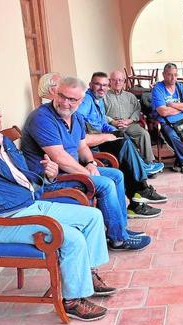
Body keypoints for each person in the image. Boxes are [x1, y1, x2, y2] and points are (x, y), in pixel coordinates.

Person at [0, 95, 116, 321]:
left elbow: (23, 176)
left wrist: (47, 175)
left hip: (30, 205)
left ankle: (86, 274)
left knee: (92, 216)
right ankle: (72, 301)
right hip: (5, 219)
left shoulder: (2, 140)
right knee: (73, 238)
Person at [21, 76, 152, 251]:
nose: (65, 103)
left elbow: (82, 146)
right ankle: (118, 239)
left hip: (69, 172)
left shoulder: (76, 117)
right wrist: (87, 173)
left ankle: (120, 228)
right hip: (50, 179)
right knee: (105, 184)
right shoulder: (42, 118)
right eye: (62, 96)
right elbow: (59, 158)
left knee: (117, 175)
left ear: (81, 100)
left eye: (72, 99)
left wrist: (90, 163)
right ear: (55, 93)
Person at [76, 71, 166, 217]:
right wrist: (105, 135)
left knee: (124, 141)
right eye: (98, 84)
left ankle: (138, 197)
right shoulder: (87, 100)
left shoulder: (98, 100)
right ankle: (141, 189)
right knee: (123, 147)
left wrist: (114, 131)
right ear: (91, 85)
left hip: (103, 137)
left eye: (104, 85)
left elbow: (103, 123)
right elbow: (78, 118)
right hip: (93, 146)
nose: (102, 88)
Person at [105, 69, 156, 164]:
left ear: (124, 82)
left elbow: (137, 110)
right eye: (114, 80)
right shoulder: (104, 97)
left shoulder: (130, 96)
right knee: (123, 139)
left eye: (120, 80)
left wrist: (130, 120)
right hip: (111, 126)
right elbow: (100, 114)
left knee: (143, 134)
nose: (117, 82)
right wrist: (112, 121)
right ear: (110, 81)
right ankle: (131, 165)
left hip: (129, 124)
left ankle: (149, 162)